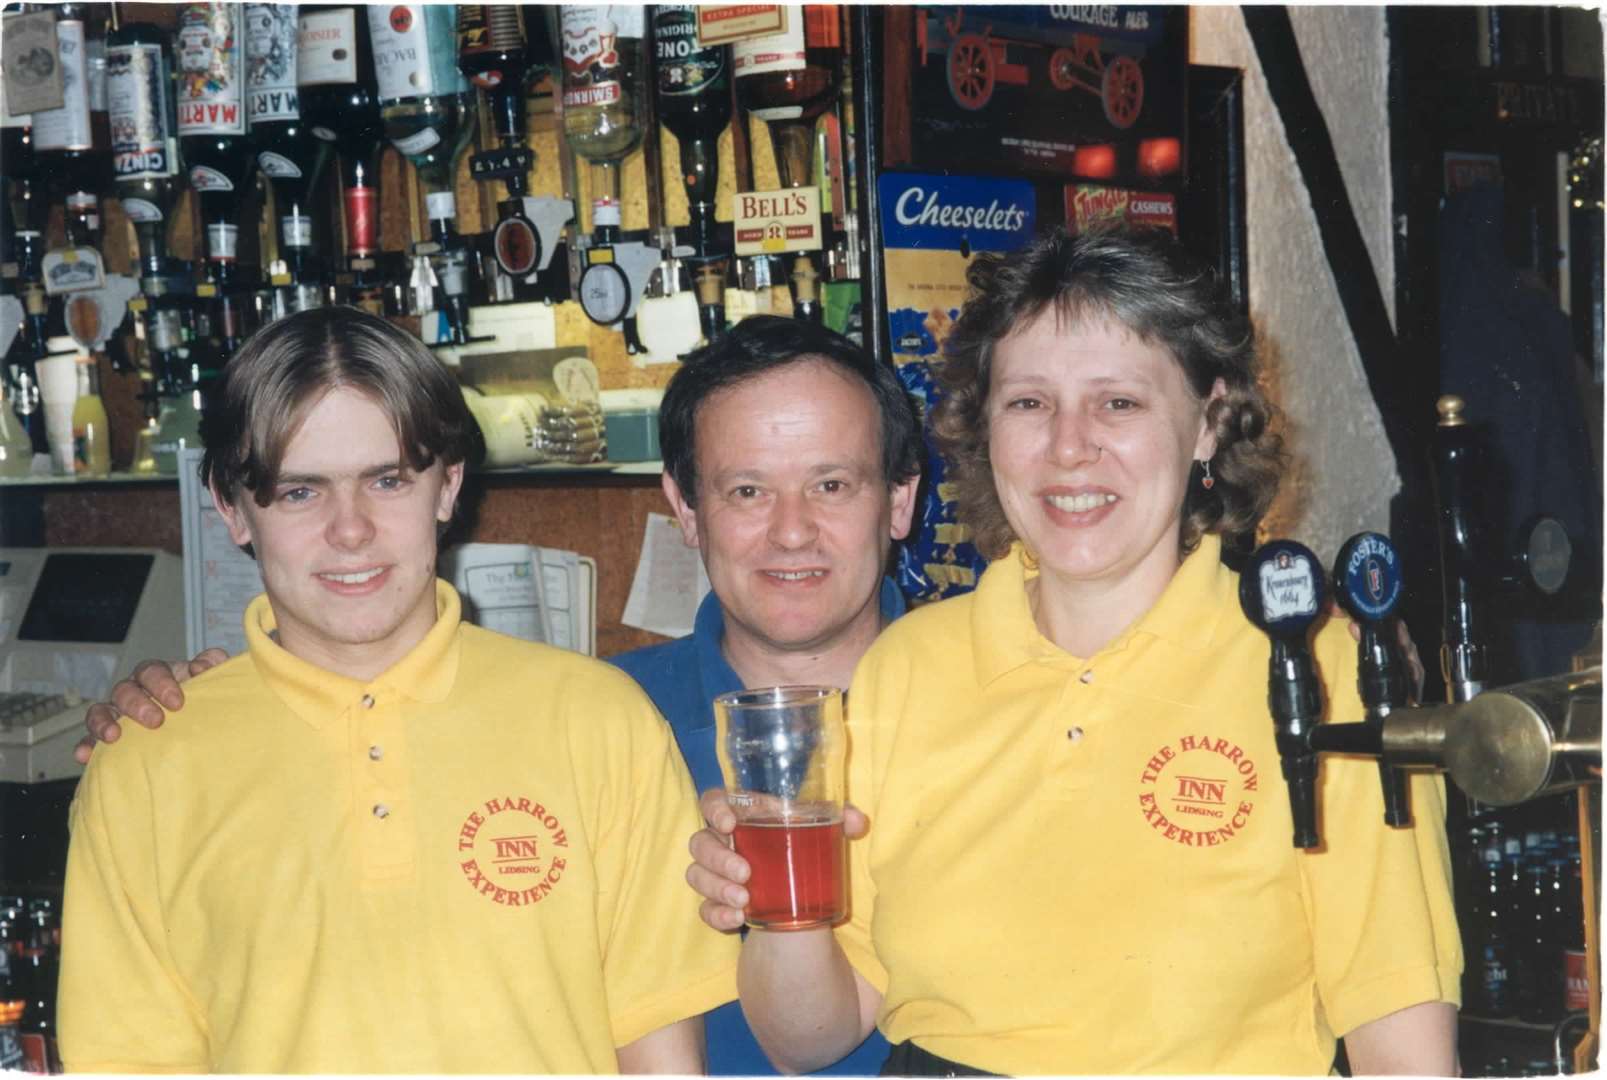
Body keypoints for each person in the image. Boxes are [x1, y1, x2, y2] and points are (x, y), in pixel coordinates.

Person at [685, 227, 1463, 1075]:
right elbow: (811, 1036)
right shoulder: (906, 669)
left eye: (1118, 402)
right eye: (1028, 403)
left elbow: (1399, 1027)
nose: (1067, 446)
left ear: (1207, 421)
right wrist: (773, 901)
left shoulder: (1317, 670)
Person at [72, 315, 917, 1076]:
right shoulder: (623, 705)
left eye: (832, 483)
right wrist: (171, 728)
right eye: (745, 489)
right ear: (685, 510)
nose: (351, 528)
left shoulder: (596, 720)